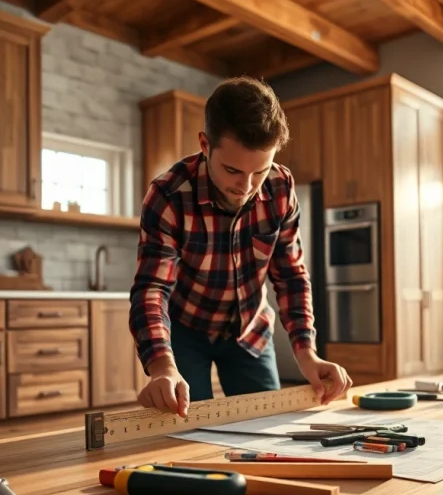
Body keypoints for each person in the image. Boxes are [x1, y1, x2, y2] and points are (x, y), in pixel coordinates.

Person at [129, 76, 352, 417]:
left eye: (259, 171)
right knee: (189, 429)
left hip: (250, 327)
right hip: (186, 329)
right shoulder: (167, 195)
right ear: (205, 145)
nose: (246, 186)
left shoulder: (280, 187)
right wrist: (162, 367)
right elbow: (152, 288)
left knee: (265, 429)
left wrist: (308, 354)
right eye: (232, 169)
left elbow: (291, 276)